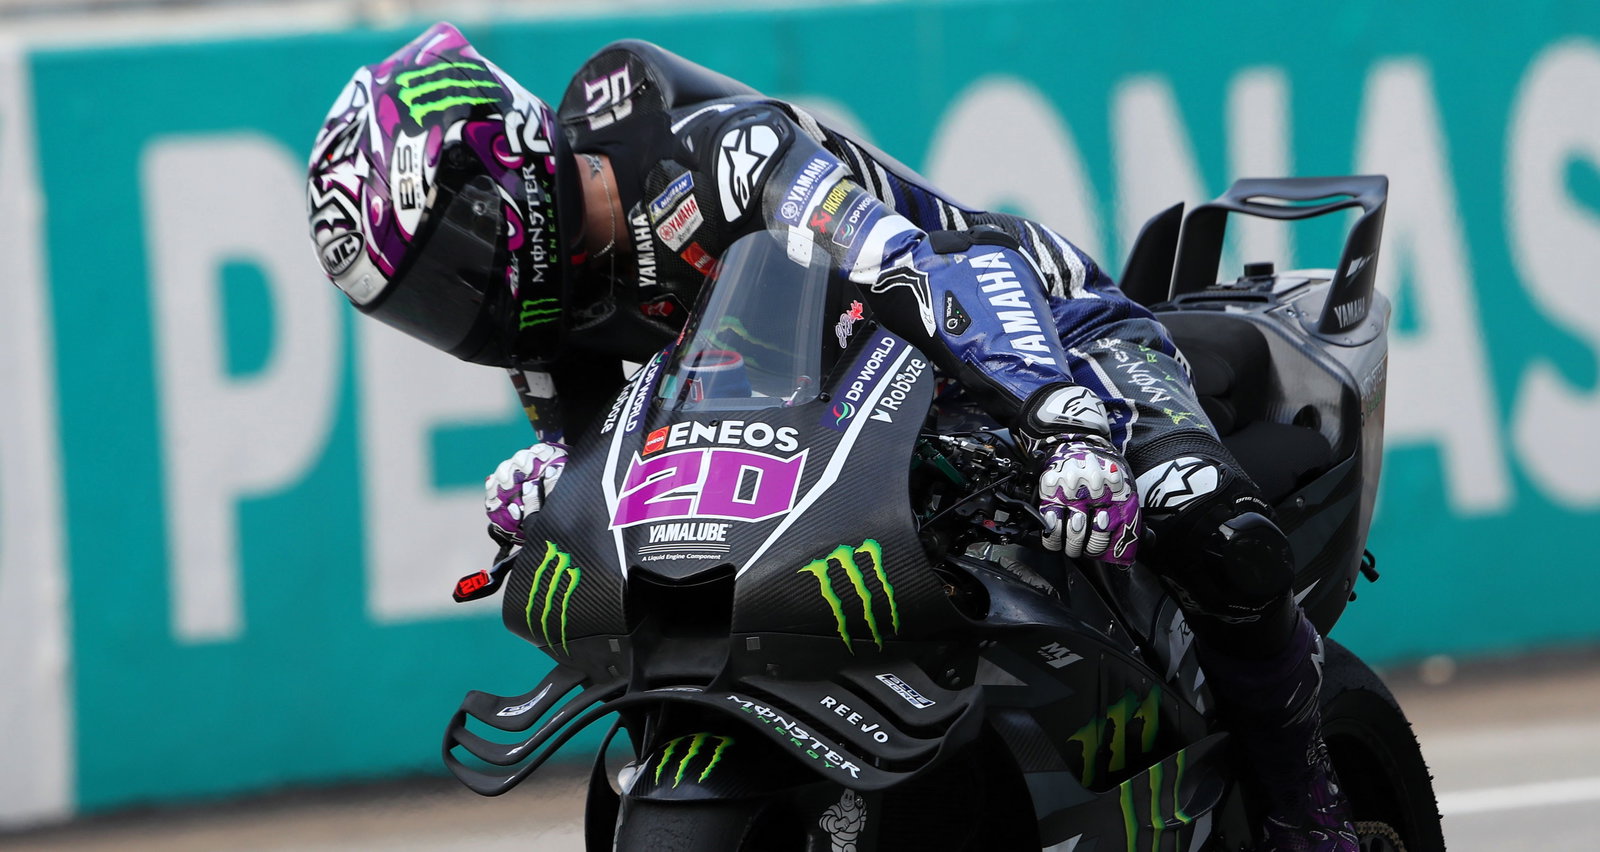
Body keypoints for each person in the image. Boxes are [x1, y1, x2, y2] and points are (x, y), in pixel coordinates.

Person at [305, 23, 1357, 851]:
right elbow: (611, 458)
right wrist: (559, 489)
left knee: (1200, 520)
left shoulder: (719, 157)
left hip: (1041, 331)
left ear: (509, 159)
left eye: (456, 254)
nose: (459, 306)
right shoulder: (552, 326)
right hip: (874, 426)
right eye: (422, 303)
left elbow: (935, 270)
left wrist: (1069, 419)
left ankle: (1309, 818)